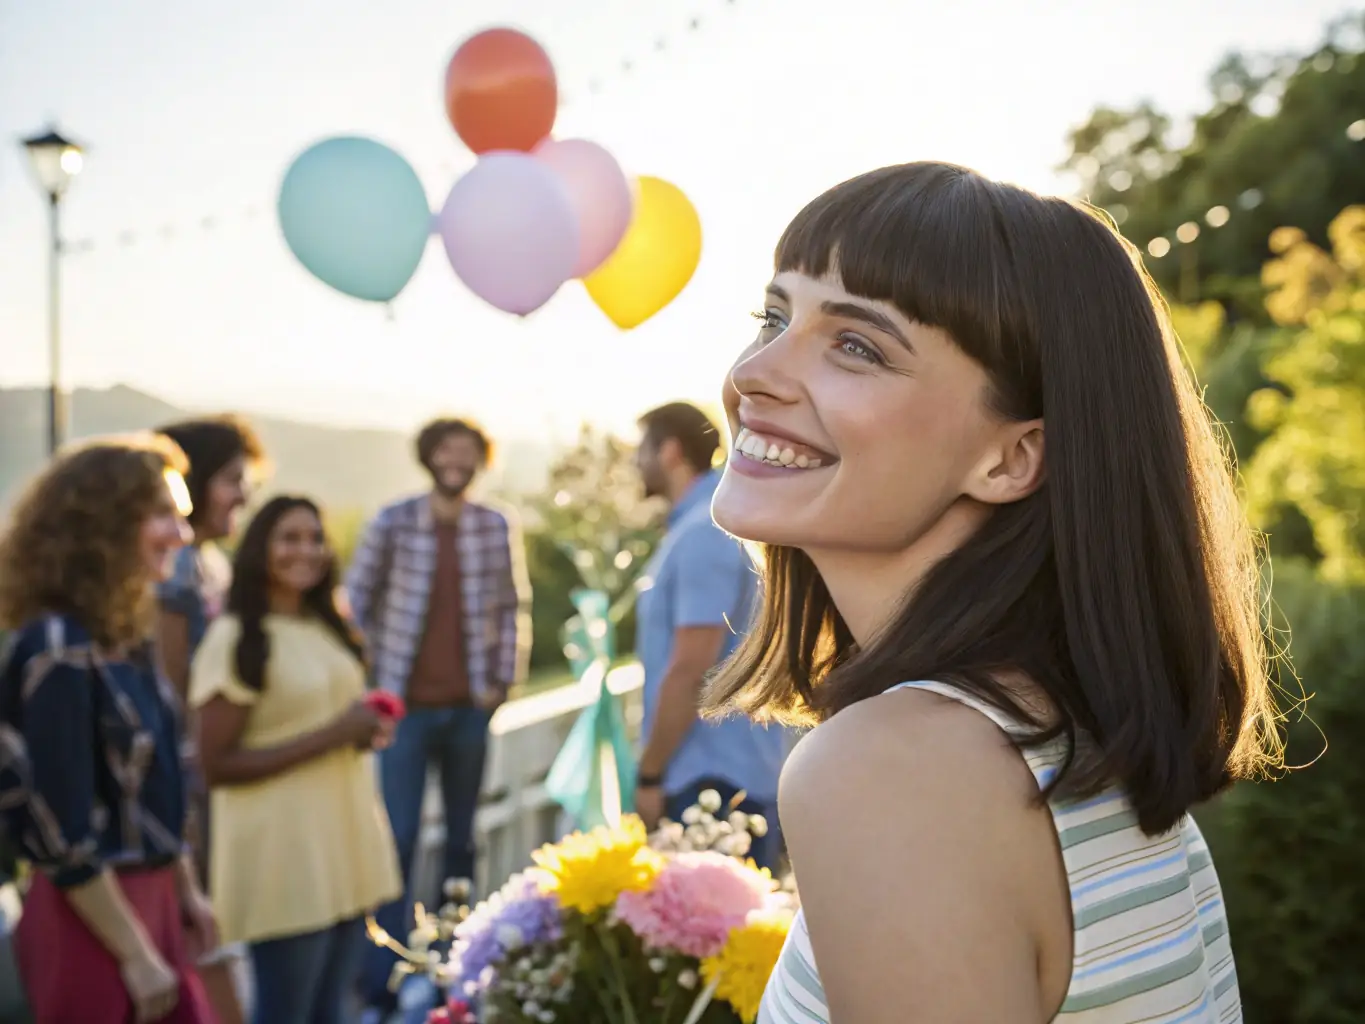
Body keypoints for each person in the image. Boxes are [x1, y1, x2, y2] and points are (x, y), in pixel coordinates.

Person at [704, 162, 1281, 1022]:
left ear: (1010, 459)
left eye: (855, 346)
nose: (756, 372)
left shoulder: (895, 773)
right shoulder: (1054, 738)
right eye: (774, 317)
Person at [0, 434, 218, 1023]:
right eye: (163, 515)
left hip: (156, 906)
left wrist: (187, 892)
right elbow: (59, 832)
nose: (183, 534)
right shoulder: (56, 649)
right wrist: (138, 954)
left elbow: (160, 783)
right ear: (100, 526)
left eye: (183, 516)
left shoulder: (127, 639)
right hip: (93, 922)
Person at [189, 495, 401, 1024]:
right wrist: (333, 734)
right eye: (289, 538)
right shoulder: (235, 638)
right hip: (285, 861)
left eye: (314, 538)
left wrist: (362, 730)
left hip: (345, 848)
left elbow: (320, 719)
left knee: (334, 1013)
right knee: (287, 1012)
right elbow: (214, 765)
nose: (305, 550)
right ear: (259, 548)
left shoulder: (325, 626)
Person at [345, 416, 530, 1016]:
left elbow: (511, 607)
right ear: (428, 457)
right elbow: (355, 602)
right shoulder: (394, 521)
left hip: (469, 710)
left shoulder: (495, 524)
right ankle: (383, 976)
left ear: (481, 460)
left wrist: (503, 682)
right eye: (447, 451)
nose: (457, 461)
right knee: (394, 839)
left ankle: (457, 965)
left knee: (460, 840)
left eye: (469, 452)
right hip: (404, 711)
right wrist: (374, 677)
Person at [631, 402, 787, 869]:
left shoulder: (705, 531)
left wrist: (650, 774)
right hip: (725, 772)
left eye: (642, 448)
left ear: (671, 452)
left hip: (709, 781)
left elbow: (689, 667)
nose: (635, 461)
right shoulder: (709, 522)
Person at [155, 413, 268, 1024]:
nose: (244, 496)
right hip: (190, 792)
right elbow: (172, 698)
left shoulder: (210, 564)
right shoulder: (177, 569)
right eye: (231, 479)